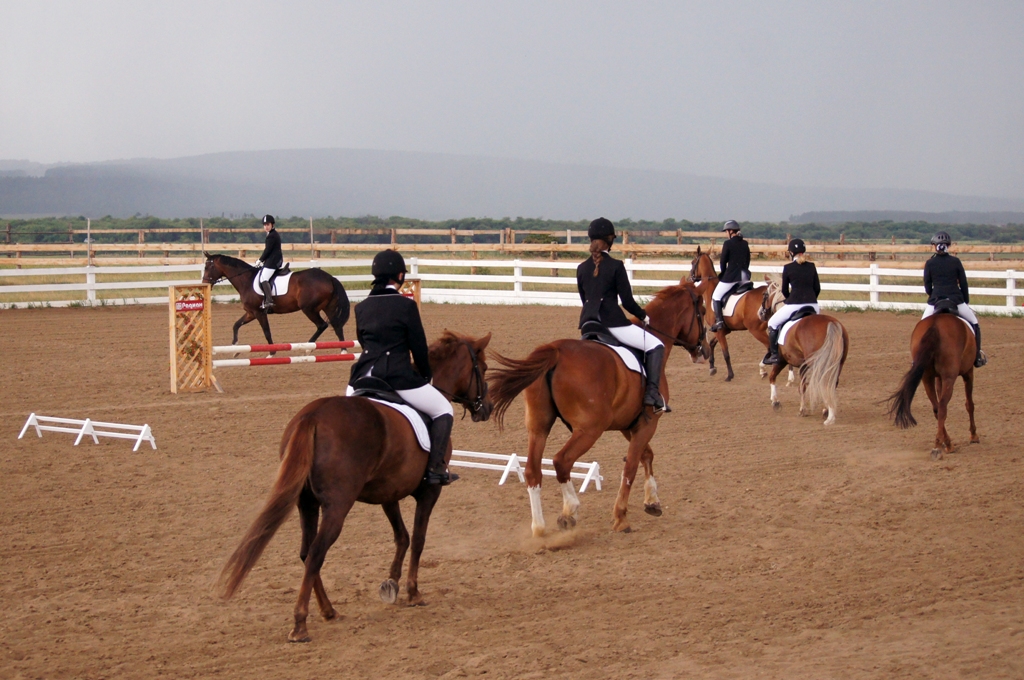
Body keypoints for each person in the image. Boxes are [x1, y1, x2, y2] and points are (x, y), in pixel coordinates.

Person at [347, 249, 458, 485]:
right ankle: (436, 469)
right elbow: (418, 348)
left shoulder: (361, 307)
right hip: (396, 377)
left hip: (360, 378)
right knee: (443, 409)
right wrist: (426, 376)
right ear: (399, 276)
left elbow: (364, 342)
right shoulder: (405, 306)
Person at [576, 217, 668, 413]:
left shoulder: (581, 268)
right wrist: (643, 315)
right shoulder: (616, 266)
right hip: (613, 324)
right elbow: (627, 302)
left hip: (588, 324)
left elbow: (585, 300)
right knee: (656, 345)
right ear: (610, 241)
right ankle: (652, 394)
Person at [922, 231, 986, 367]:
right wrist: (965, 301)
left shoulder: (929, 263)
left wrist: (934, 295)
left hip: (935, 301)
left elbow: (927, 286)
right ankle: (977, 356)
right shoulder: (956, 261)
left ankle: (918, 358)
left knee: (922, 325)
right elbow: (963, 283)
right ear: (948, 246)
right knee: (974, 322)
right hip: (956, 300)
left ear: (935, 246)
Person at [764, 238, 820, 365]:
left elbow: (784, 291)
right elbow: (817, 288)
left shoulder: (788, 268)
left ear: (791, 253)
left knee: (772, 323)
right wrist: (811, 299)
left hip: (794, 305)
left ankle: (774, 355)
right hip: (813, 305)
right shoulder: (811, 267)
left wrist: (790, 299)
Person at [709, 219, 752, 331]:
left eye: (726, 231)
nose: (726, 234)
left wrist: (724, 274)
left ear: (731, 231)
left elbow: (723, 262)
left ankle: (719, 322)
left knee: (716, 296)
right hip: (744, 277)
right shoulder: (745, 243)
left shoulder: (727, 244)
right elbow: (747, 261)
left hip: (731, 277)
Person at [255, 214, 283, 310]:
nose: (266, 226)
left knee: (263, 278)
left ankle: (269, 301)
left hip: (274, 261)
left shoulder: (271, 236)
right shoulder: (272, 234)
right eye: (265, 225)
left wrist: (260, 260)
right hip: (272, 260)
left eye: (268, 224)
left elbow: (268, 250)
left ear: (272, 225)